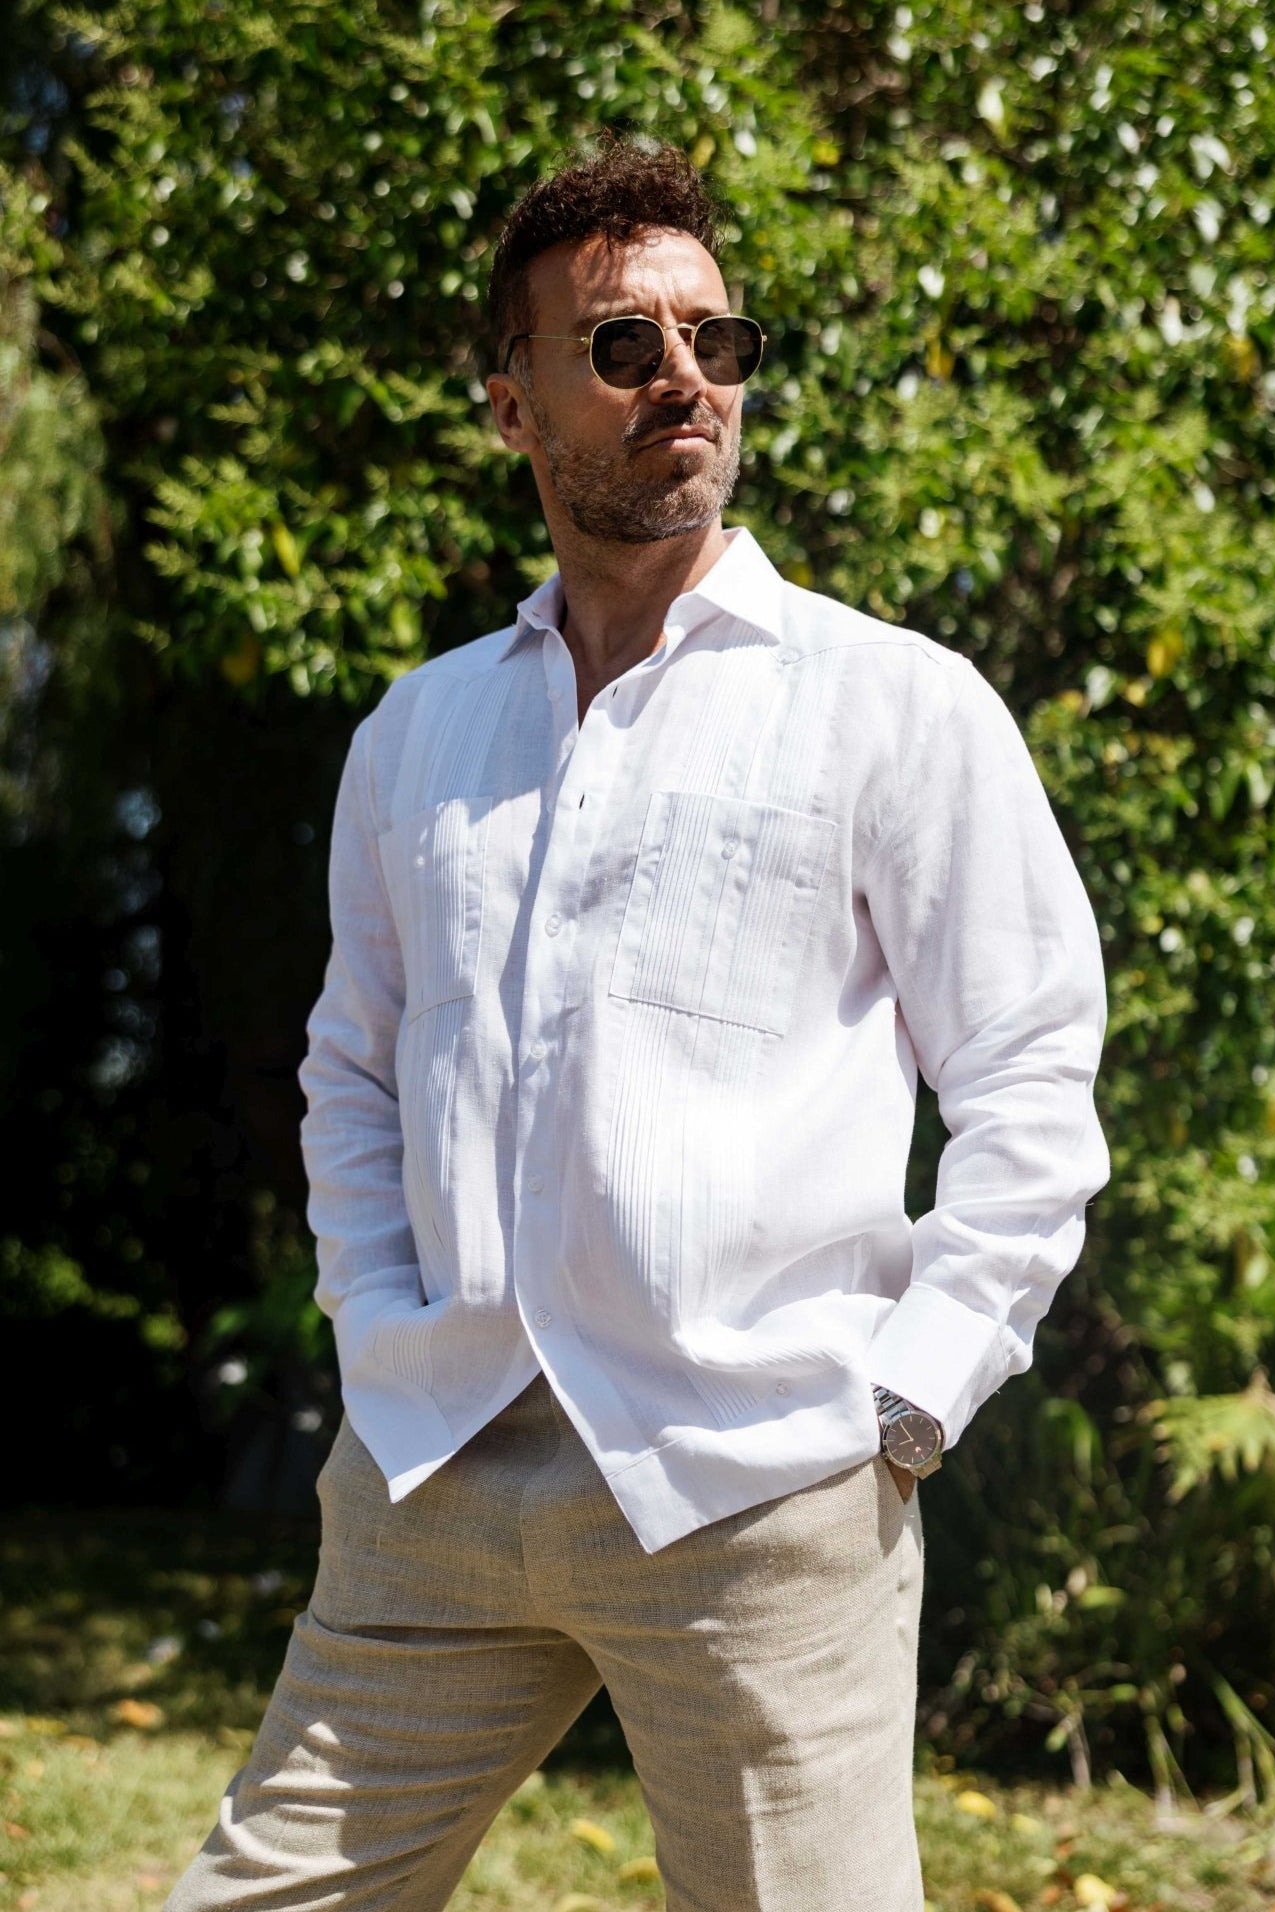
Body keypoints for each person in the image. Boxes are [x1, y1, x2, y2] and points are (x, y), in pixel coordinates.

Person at [165, 132, 1109, 1912]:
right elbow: (351, 1065)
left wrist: (905, 1411)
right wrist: (374, 1325)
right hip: (434, 1479)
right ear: (512, 405)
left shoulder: (893, 705)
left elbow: (1030, 1073)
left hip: (763, 1490)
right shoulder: (416, 739)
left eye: (716, 339)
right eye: (620, 344)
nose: (687, 376)